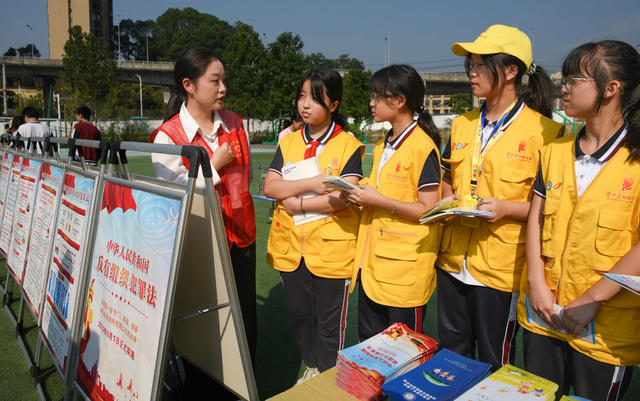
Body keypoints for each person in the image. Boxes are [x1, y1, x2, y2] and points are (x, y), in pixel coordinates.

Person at [436, 24, 564, 371]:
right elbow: (449, 178)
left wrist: (506, 208)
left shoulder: (547, 132)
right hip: (452, 262)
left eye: (480, 64)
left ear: (510, 72)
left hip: (501, 269)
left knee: (495, 363)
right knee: (450, 358)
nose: (471, 72)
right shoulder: (461, 124)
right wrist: (446, 202)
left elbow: (551, 208)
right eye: (470, 65)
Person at [519, 40, 640, 401]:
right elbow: (536, 222)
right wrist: (537, 283)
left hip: (605, 328)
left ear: (612, 88)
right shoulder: (553, 151)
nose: (564, 88)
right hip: (543, 313)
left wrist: (592, 299)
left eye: (574, 79)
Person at [149, 47, 257, 368]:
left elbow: (245, 179)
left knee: (245, 316)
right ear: (189, 85)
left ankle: (248, 376)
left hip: (241, 239)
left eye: (224, 80)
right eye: (215, 81)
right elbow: (177, 195)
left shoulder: (235, 123)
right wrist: (213, 166)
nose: (223, 88)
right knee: (207, 322)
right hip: (202, 245)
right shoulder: (167, 137)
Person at [264, 68, 364, 383]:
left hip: (332, 251)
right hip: (291, 247)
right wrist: (313, 184)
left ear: (334, 104)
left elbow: (343, 197)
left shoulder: (349, 145)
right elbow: (270, 187)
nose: (305, 105)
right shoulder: (289, 142)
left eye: (315, 98)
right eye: (302, 96)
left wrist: (298, 202)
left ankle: (326, 374)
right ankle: (312, 364)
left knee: (330, 322)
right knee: (301, 316)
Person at [345, 65, 442, 341]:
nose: (371, 103)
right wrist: (360, 195)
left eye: (377, 96)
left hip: (404, 273)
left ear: (399, 101)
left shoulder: (422, 148)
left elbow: (428, 210)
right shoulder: (384, 144)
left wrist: (379, 200)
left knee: (404, 353)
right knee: (371, 348)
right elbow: (382, 194)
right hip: (373, 267)